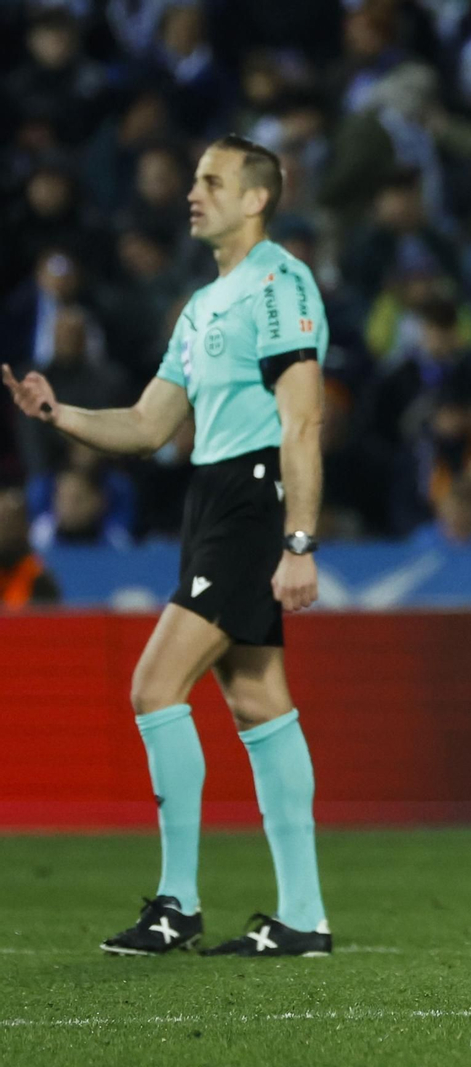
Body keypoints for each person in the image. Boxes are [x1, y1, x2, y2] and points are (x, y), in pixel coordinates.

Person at [4, 134, 333, 958]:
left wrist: (299, 540)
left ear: (257, 198)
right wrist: (61, 414)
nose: (194, 191)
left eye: (212, 180)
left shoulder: (281, 286)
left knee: (155, 684)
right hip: (211, 495)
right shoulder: (202, 304)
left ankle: (178, 905)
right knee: (260, 704)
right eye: (193, 178)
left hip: (256, 501)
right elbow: (150, 424)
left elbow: (303, 420)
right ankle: (303, 918)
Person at [0, 486, 62, 609]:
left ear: (26, 527)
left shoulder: (39, 580)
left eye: (11, 521)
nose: (5, 528)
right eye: (1, 520)